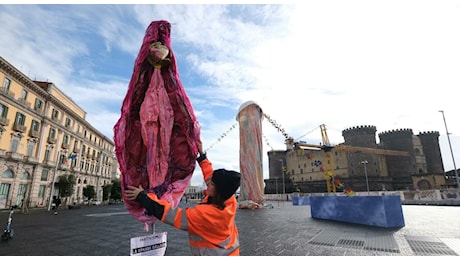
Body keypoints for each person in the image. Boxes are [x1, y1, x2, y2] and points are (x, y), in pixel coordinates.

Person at [125, 141, 241, 256]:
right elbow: (211, 177)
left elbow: (171, 214)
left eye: (211, 184)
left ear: (217, 190)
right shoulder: (229, 199)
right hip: (231, 252)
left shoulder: (206, 215)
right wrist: (202, 157)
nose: (207, 183)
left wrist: (143, 197)